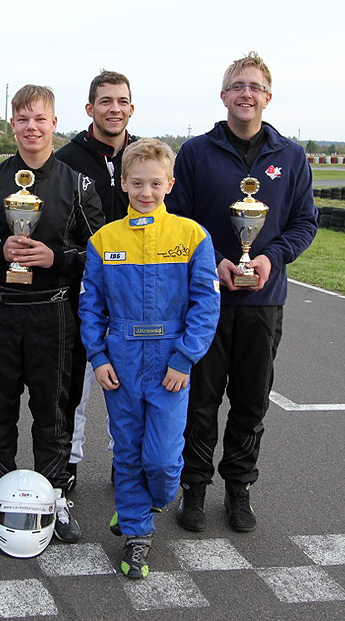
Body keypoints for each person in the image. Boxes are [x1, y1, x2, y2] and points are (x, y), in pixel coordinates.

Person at [165, 51, 318, 533]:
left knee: (251, 401)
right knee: (200, 400)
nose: (246, 93)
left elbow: (304, 223)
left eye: (254, 86)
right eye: (238, 85)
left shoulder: (290, 156)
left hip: (263, 302)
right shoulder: (195, 152)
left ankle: (238, 489)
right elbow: (179, 222)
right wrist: (213, 264)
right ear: (224, 95)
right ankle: (193, 489)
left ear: (267, 97)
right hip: (206, 302)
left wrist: (272, 257)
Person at [0, 84, 105, 544]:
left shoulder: (78, 185)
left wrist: (55, 258)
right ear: (11, 124)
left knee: (53, 410)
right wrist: (1, 250)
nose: (31, 127)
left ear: (55, 124)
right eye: (22, 119)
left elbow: (100, 252)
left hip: (54, 314)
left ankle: (56, 496)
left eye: (39, 118)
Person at [80, 138, 220, 579]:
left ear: (170, 184)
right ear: (123, 184)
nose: (145, 192)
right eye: (137, 183)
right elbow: (90, 305)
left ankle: (147, 500)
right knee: (127, 451)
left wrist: (185, 358)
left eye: (155, 184)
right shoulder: (104, 240)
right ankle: (137, 532)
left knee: (160, 461)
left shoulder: (192, 236)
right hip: (120, 358)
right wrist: (98, 355)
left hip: (170, 363)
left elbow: (205, 303)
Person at [56, 70, 139, 489]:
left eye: (122, 101)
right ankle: (68, 464)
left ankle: (122, 463)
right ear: (90, 108)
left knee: (126, 386)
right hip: (79, 289)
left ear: (131, 107)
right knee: (76, 385)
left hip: (133, 295)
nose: (114, 109)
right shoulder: (68, 159)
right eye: (106, 101)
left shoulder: (143, 156)